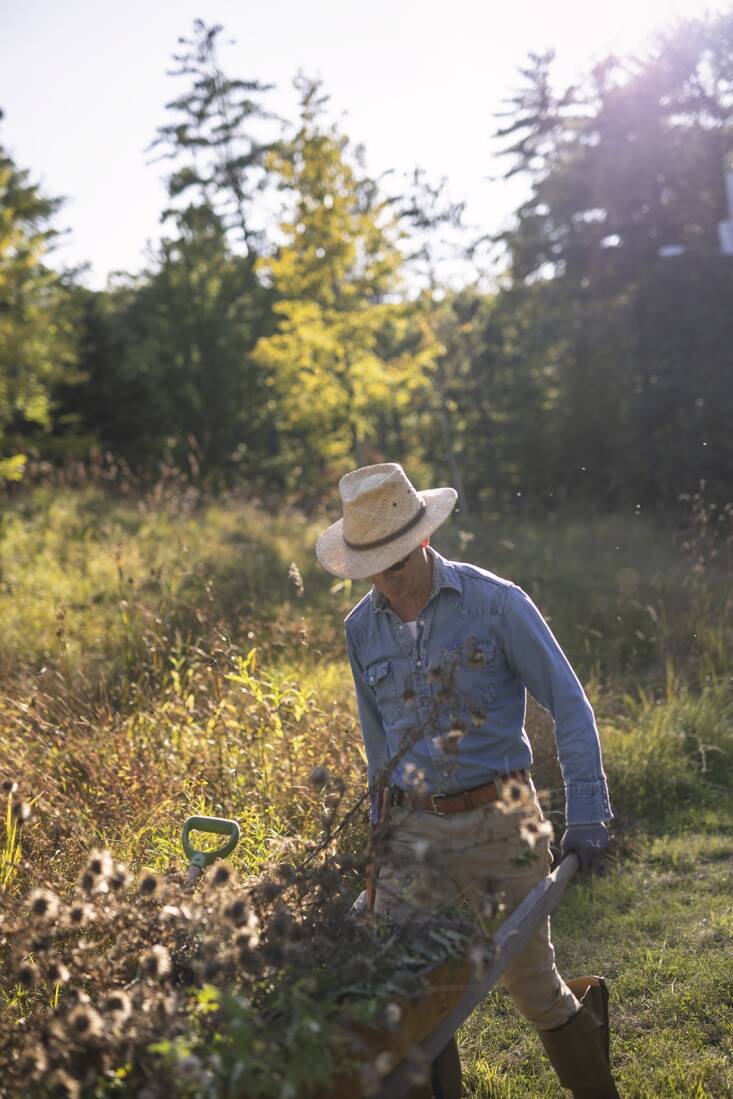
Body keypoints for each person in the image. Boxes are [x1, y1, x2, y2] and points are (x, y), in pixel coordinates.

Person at [316, 463, 620, 1099]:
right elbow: (379, 751)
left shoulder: (496, 604)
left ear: (423, 541)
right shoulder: (360, 630)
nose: (386, 579)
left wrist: (588, 812)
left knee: (534, 988)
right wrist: (378, 840)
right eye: (373, 565)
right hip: (410, 831)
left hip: (501, 820)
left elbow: (569, 704)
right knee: (402, 995)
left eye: (397, 561)